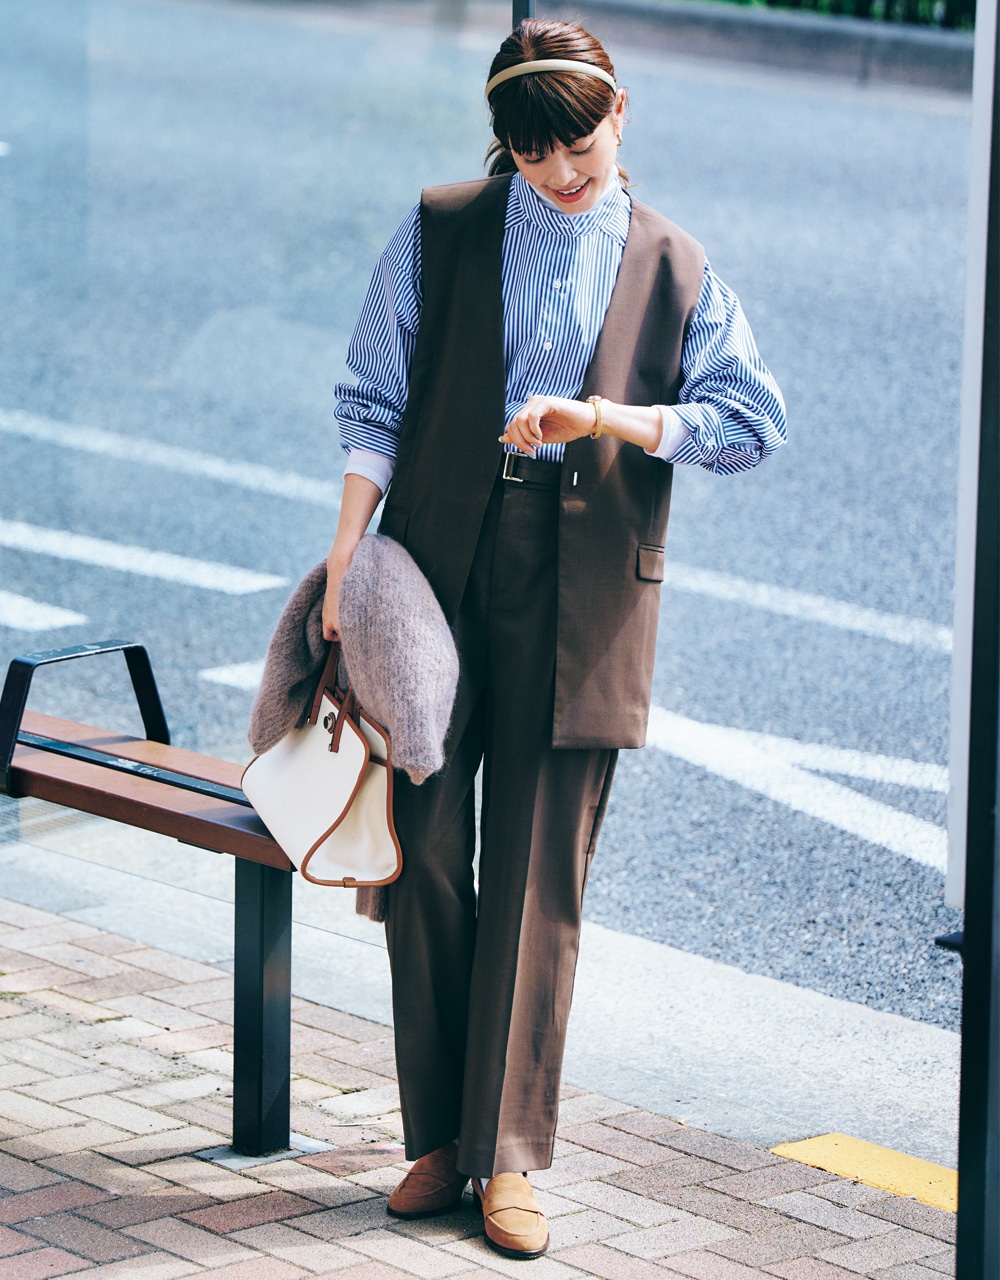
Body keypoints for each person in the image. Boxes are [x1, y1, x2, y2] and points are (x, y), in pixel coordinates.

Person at [322, 18, 785, 1261]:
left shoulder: (675, 264)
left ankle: (509, 1154)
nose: (560, 176)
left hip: (585, 589)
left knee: (538, 871)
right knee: (418, 843)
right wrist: (344, 555)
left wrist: (611, 418)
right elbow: (373, 394)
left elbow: (751, 421)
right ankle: (439, 1133)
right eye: (533, 158)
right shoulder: (442, 225)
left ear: (618, 114)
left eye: (575, 147)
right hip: (431, 561)